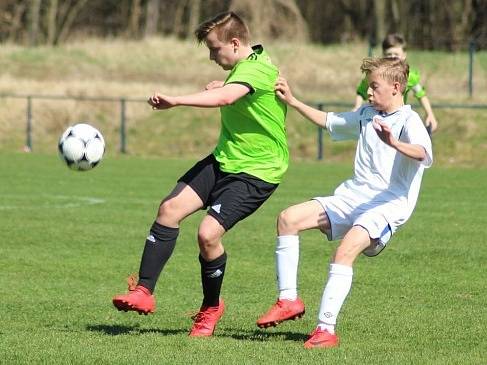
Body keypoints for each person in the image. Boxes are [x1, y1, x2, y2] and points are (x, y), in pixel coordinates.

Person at [112, 11, 289, 337]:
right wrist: (228, 83)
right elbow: (234, 91)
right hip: (225, 160)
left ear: (235, 43)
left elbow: (225, 96)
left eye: (214, 49)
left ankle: (210, 308)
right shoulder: (245, 69)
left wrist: (176, 100)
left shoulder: (259, 69)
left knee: (208, 235)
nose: (210, 56)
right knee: (169, 209)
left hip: (257, 172)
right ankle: (144, 291)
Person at [257, 57, 433, 349]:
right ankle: (288, 300)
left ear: (396, 87)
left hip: (387, 204)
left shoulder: (409, 121)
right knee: (288, 219)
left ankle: (326, 330)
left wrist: (395, 144)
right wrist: (294, 101)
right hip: (353, 196)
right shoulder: (366, 114)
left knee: (344, 251)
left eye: (374, 87)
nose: (368, 92)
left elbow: (423, 153)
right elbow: (330, 121)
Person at [353, 33, 438, 135]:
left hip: (397, 118)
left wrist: (430, 114)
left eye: (396, 55)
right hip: (376, 118)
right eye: (389, 55)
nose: (392, 57)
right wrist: (357, 108)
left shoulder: (409, 77)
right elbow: (361, 92)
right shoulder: (375, 75)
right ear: (383, 55)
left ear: (404, 55)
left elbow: (421, 95)